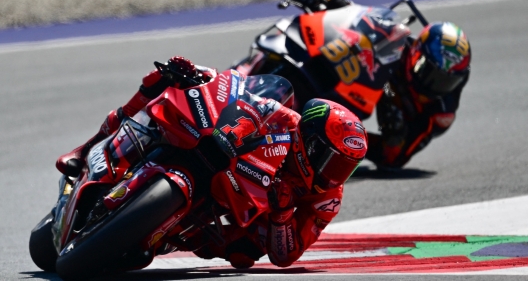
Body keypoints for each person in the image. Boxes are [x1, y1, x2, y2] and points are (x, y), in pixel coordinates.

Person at [55, 56, 368, 268]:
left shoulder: (328, 198)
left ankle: (175, 232)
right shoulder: (285, 117)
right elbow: (241, 91)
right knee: (164, 81)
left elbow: (286, 255)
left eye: (345, 169)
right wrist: (201, 77)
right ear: (309, 142)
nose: (335, 177)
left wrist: (283, 214)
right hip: (225, 157)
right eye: (332, 163)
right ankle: (86, 149)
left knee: (244, 254)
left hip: (246, 209)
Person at [285, 0, 472, 169]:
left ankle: (324, 137)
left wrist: (363, 139)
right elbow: (364, 21)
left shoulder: (440, 112)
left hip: (393, 109)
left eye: (446, 82)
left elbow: (395, 156)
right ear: (416, 52)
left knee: (392, 149)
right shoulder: (400, 43)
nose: (433, 86)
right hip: (380, 84)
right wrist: (328, 0)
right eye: (428, 72)